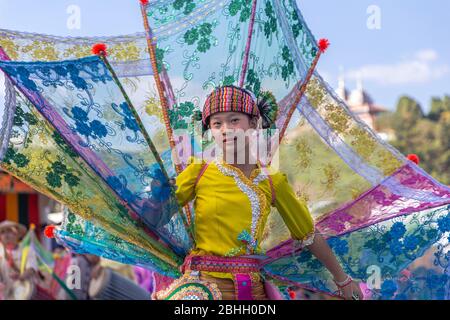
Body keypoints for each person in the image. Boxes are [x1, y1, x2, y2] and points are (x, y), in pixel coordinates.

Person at [150, 85, 363, 300]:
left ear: (253, 124)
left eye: (234, 120)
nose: (226, 129)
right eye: (217, 124)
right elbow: (153, 220)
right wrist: (157, 198)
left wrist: (342, 279)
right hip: (202, 287)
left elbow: (308, 234)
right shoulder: (199, 171)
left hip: (251, 292)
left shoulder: (272, 182)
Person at [0, 220, 38, 299]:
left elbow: (32, 269)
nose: (6, 235)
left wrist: (21, 276)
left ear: (17, 234)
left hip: (26, 293)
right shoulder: (1, 254)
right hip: (8, 295)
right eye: (2, 232)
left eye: (10, 231)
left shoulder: (27, 250)